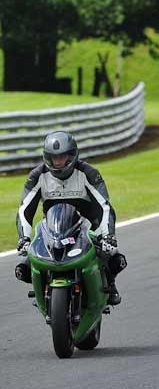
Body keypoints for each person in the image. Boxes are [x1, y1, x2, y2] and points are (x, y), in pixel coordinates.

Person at [15, 131, 126, 305]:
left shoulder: (88, 173)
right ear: (47, 158)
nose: (58, 162)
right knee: (22, 269)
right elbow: (24, 210)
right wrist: (24, 238)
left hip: (87, 226)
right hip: (53, 229)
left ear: (72, 155)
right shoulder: (37, 176)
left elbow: (104, 206)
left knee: (116, 260)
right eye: (53, 158)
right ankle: (43, 291)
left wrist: (108, 235)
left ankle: (110, 284)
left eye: (62, 157)